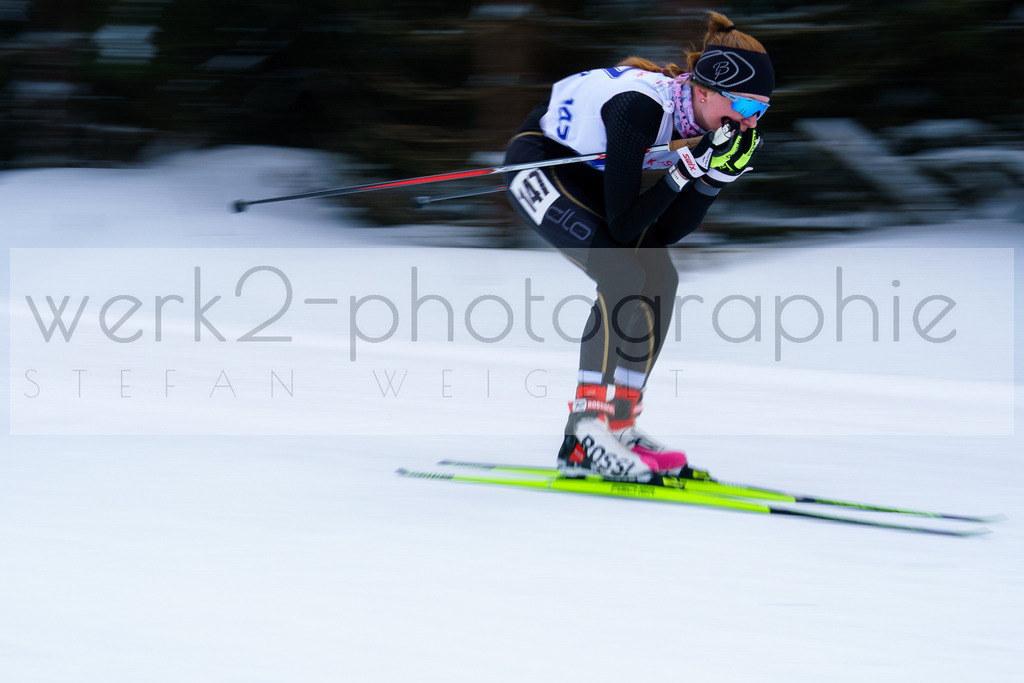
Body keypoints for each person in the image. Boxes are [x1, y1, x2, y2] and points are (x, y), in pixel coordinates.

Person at [502, 12, 774, 482]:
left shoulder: (696, 117)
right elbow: (625, 227)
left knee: (660, 276)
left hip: (588, 174)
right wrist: (688, 170)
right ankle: (584, 432)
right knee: (622, 273)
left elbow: (663, 233)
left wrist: (714, 178)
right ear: (704, 91)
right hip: (539, 163)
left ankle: (619, 425)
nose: (749, 122)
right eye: (745, 106)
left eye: (760, 112)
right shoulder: (639, 109)